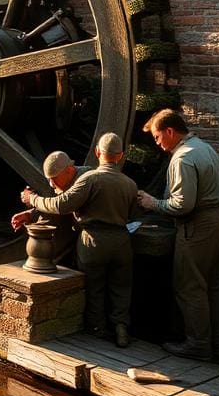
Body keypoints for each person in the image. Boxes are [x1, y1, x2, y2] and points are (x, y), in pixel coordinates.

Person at [22, 135, 137, 348]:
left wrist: (34, 200)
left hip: (93, 241)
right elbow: (131, 213)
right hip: (122, 242)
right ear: (121, 156)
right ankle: (121, 327)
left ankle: (97, 331)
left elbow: (62, 205)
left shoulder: (90, 179)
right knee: (121, 287)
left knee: (94, 286)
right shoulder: (130, 184)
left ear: (97, 153)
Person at [138, 109, 219, 361]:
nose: (157, 143)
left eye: (158, 137)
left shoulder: (182, 158)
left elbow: (182, 205)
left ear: (170, 131)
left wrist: (152, 203)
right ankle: (216, 346)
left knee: (190, 286)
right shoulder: (203, 147)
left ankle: (198, 345)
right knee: (210, 284)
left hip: (198, 225)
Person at [10, 151, 88, 262]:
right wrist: (31, 214)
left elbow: (61, 205)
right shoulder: (69, 178)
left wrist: (32, 198)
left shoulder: (84, 180)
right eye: (48, 179)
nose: (51, 184)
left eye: (54, 178)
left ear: (69, 170)